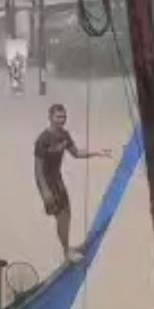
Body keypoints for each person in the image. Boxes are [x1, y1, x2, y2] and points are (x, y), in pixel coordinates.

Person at [33, 103, 111, 263]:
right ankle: (66, 252)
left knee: (66, 214)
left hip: (57, 179)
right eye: (58, 117)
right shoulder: (43, 139)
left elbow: (76, 153)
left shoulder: (64, 135)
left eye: (63, 117)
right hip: (46, 181)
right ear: (50, 117)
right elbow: (38, 170)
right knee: (62, 215)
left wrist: (96, 153)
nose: (61, 120)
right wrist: (45, 191)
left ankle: (66, 248)